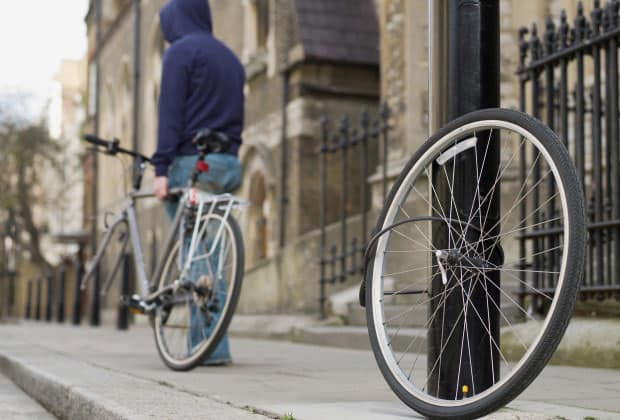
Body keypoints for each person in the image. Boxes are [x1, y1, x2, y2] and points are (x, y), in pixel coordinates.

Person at [152, 0, 245, 366]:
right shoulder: (231, 59)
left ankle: (205, 347)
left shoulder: (180, 52)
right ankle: (215, 345)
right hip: (227, 162)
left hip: (192, 162)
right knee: (216, 254)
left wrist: (161, 167)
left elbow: (170, 114)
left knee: (192, 254)